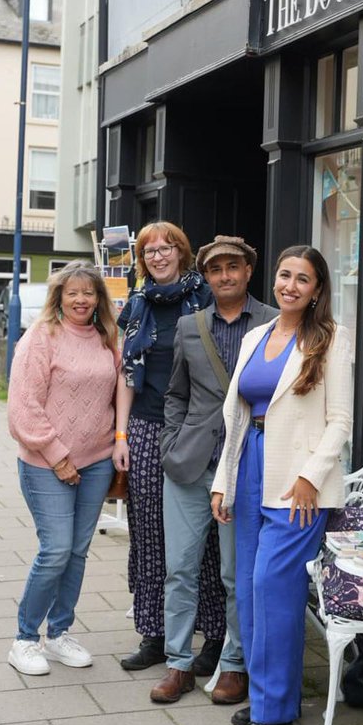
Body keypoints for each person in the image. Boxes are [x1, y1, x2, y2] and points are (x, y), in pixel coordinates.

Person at [212, 245, 353, 725]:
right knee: (249, 590)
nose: (290, 285)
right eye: (284, 275)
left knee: (274, 588)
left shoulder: (332, 340)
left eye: (303, 279)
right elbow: (237, 414)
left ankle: (275, 717)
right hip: (251, 464)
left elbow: (340, 421)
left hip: (299, 482)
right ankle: (271, 693)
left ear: (317, 290)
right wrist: (223, 481)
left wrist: (311, 476)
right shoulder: (255, 336)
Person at [150, 236, 276, 705]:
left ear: (248, 271)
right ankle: (178, 664)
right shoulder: (189, 326)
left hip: (245, 467)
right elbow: (176, 393)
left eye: (234, 267)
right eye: (216, 269)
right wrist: (171, 443)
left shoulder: (272, 323)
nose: (225, 275)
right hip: (190, 464)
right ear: (204, 275)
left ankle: (234, 665)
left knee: (235, 573)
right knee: (179, 569)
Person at [113, 221, 227, 673]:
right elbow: (126, 375)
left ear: (183, 252)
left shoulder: (206, 300)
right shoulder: (138, 306)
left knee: (206, 537)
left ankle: (214, 636)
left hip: (196, 430)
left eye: (166, 248)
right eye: (149, 251)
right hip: (143, 427)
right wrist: (120, 436)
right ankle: (154, 634)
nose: (158, 256)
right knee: (148, 534)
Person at [6, 262, 120, 675]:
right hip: (45, 463)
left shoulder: (108, 339)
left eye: (88, 293)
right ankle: (24, 639)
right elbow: (22, 407)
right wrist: (58, 455)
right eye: (72, 293)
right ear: (59, 297)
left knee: (75, 552)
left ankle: (58, 633)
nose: (81, 300)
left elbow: (117, 394)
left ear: (98, 299)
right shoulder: (41, 337)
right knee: (54, 550)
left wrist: (115, 445)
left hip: (96, 462)